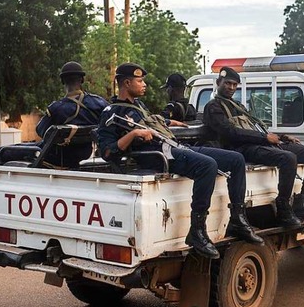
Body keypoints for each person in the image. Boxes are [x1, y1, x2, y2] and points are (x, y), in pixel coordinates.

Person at [97, 63, 263, 259]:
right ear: (126, 82)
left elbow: (150, 121)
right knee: (207, 165)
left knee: (235, 160)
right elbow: (107, 151)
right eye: (140, 81)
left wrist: (168, 122)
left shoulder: (138, 106)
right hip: (156, 156)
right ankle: (197, 231)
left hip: (172, 147)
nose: (144, 85)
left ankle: (237, 217)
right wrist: (134, 134)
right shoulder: (111, 112)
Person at [203, 66, 304, 228]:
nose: (231, 88)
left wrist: (282, 137)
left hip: (259, 142)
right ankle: (284, 207)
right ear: (218, 82)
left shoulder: (237, 105)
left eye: (235, 85)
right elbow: (229, 133)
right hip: (241, 148)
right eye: (227, 83)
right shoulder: (213, 107)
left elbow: (256, 127)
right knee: (288, 158)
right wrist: (265, 138)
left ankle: (302, 203)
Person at [35, 61, 109, 167]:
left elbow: (40, 131)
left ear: (62, 81)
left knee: (4, 152)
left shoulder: (56, 108)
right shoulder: (99, 103)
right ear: (82, 80)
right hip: (86, 154)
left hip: (58, 158)